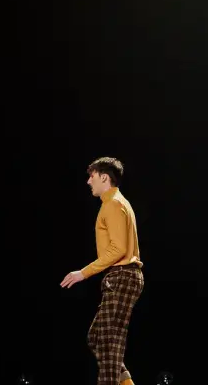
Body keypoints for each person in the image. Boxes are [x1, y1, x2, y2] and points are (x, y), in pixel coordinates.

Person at [61, 157, 145, 385]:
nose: (89, 181)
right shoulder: (115, 202)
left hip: (123, 275)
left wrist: (83, 273)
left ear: (104, 177)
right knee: (97, 337)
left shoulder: (114, 204)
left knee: (108, 342)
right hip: (121, 277)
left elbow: (118, 249)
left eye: (92, 176)